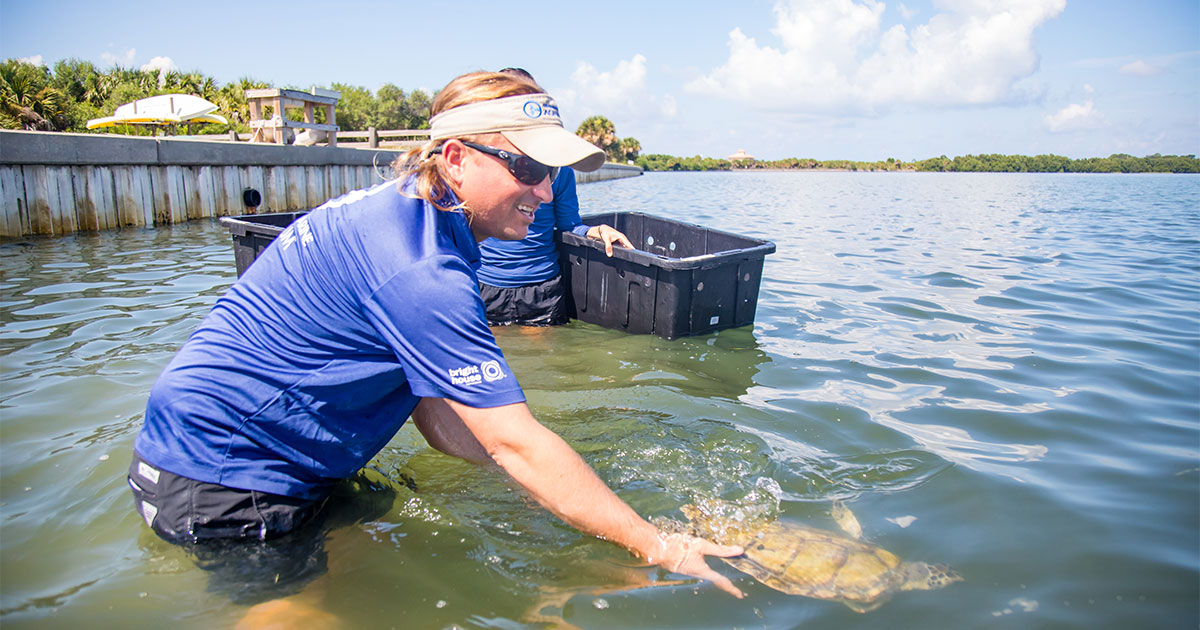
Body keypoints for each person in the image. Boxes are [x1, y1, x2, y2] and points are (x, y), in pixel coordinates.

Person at [127, 70, 744, 610]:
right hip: (225, 477)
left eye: (551, 172)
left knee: (374, 575)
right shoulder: (424, 269)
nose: (546, 192)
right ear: (454, 157)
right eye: (527, 168)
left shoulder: (414, 214)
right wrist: (658, 545)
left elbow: (433, 407)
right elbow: (516, 443)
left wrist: (535, 488)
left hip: (251, 455)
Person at [476, 67, 633, 326]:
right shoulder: (482, 165)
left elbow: (570, 224)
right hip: (485, 284)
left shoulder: (560, 170)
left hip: (541, 288)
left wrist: (597, 230)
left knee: (544, 363)